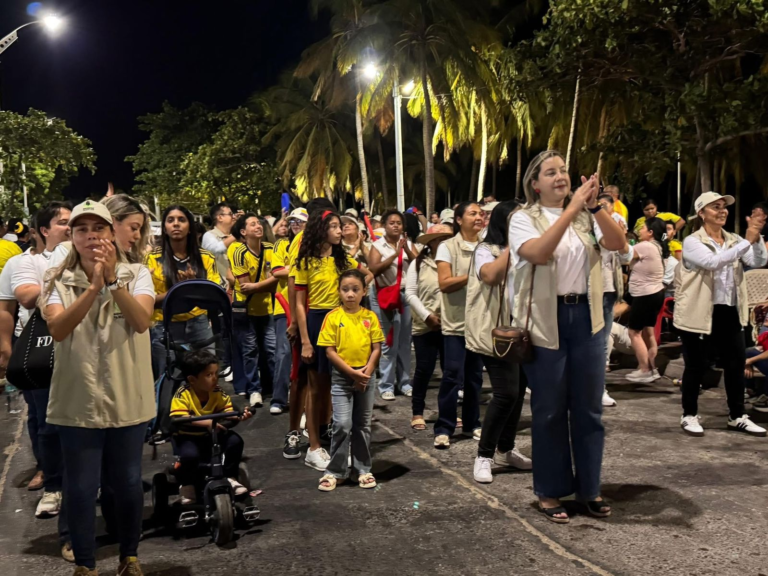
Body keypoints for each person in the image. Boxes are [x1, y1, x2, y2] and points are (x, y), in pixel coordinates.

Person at [509, 150, 625, 523]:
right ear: (535, 183)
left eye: (564, 171)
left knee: (589, 409)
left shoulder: (585, 216)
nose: (560, 176)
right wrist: (573, 208)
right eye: (550, 172)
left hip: (590, 315)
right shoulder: (523, 218)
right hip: (548, 318)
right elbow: (538, 253)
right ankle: (549, 490)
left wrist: (594, 208)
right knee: (549, 410)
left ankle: (589, 487)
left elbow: (618, 243)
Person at [43, 200, 156, 576]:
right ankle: (86, 565)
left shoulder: (137, 273)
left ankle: (130, 557)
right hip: (78, 399)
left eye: (99, 228)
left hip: (128, 395)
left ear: (112, 234)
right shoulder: (56, 280)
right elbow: (58, 329)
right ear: (72, 238)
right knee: (80, 486)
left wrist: (110, 282)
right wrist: (92, 289)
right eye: (81, 229)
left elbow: (141, 321)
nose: (91, 235)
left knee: (126, 483)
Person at [673, 192, 768, 437]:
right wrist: (747, 240)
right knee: (696, 366)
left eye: (724, 207)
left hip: (730, 310)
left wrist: (755, 239)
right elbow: (714, 262)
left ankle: (737, 416)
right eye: (715, 207)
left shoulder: (735, 239)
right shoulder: (693, 241)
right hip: (700, 312)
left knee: (735, 366)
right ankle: (689, 414)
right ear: (702, 213)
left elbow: (757, 261)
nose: (722, 211)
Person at [291, 210, 372, 470]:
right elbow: (300, 305)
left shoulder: (343, 260)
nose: (340, 231)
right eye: (335, 227)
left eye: (341, 226)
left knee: (334, 387)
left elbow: (366, 273)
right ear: (321, 229)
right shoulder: (305, 261)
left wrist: (356, 295)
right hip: (315, 323)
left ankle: (334, 445)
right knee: (315, 388)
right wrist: (305, 340)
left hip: (340, 322)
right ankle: (313, 447)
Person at [12, 202, 72, 524]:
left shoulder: (86, 256)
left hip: (83, 350)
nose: (70, 227)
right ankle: (54, 485)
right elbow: (26, 296)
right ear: (44, 230)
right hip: (43, 349)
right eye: (63, 222)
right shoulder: (26, 262)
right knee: (47, 422)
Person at [464, 200, 533, 484]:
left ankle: (506, 448)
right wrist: (514, 246)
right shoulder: (485, 250)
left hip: (522, 331)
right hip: (496, 332)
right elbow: (490, 276)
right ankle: (484, 455)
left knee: (517, 392)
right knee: (505, 393)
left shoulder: (523, 251)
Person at [316, 269, 384, 491]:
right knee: (342, 424)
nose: (350, 294)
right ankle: (336, 470)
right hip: (343, 377)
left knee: (362, 425)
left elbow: (376, 348)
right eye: (345, 289)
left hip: (366, 376)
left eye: (355, 289)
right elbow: (330, 352)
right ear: (338, 292)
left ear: (364, 291)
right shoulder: (333, 317)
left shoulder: (370, 317)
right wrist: (352, 373)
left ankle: (362, 469)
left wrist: (366, 372)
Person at [145, 205, 222, 382]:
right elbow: (148, 300)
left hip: (199, 324)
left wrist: (194, 287)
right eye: (170, 220)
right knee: (167, 381)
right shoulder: (152, 258)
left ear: (190, 228)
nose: (176, 224)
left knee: (207, 377)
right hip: (164, 326)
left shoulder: (205, 258)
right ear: (164, 228)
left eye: (181, 220)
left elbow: (215, 297)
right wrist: (179, 291)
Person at [433, 202, 485, 448]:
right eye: (473, 213)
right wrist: (475, 274)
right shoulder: (447, 247)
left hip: (480, 323)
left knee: (475, 377)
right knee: (453, 375)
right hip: (455, 323)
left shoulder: (487, 246)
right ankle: (444, 427)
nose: (478, 217)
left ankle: (473, 423)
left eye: (481, 214)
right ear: (458, 219)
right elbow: (444, 282)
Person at [170, 350, 252, 505]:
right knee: (189, 456)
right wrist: (206, 423)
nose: (215, 378)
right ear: (192, 380)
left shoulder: (217, 392)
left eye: (216, 373)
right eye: (209, 375)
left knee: (235, 441)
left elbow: (228, 411)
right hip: (189, 436)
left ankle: (230, 476)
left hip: (213, 434)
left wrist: (239, 415)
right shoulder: (183, 394)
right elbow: (179, 418)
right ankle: (188, 485)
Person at [404, 224, 453, 431]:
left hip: (451, 324)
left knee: (451, 371)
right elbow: (410, 294)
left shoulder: (455, 263)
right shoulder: (418, 263)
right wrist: (426, 316)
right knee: (424, 369)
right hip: (425, 325)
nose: (444, 243)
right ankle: (417, 412)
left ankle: (449, 412)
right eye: (440, 239)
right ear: (431, 243)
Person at [227, 213, 278, 407]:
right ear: (243, 232)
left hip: (267, 308)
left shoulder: (271, 248)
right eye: (252, 224)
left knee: (271, 350)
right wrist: (269, 282)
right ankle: (254, 389)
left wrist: (259, 286)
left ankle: (271, 388)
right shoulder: (238, 251)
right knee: (250, 351)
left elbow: (275, 280)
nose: (258, 226)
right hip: (245, 310)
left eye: (259, 223)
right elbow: (244, 285)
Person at [368, 210, 417, 401]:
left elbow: (419, 264)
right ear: (384, 226)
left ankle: (404, 382)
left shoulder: (409, 244)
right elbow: (373, 268)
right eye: (392, 223)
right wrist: (395, 255)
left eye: (399, 223)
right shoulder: (377, 246)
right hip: (385, 295)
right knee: (388, 342)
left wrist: (405, 251)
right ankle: (386, 385)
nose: (396, 226)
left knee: (405, 341)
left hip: (406, 295)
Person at [270, 207, 307, 416]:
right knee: (284, 353)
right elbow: (276, 271)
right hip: (283, 305)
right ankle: (279, 398)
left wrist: (291, 268)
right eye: (293, 221)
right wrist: (300, 269)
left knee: (305, 355)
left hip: (306, 305)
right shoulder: (281, 244)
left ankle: (302, 400)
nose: (295, 224)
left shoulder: (309, 244)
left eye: (300, 221)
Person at [597, 195, 633, 401]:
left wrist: (622, 238)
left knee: (603, 342)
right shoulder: (587, 226)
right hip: (586, 292)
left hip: (608, 291)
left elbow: (626, 257)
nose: (602, 209)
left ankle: (600, 388)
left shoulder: (616, 226)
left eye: (605, 206)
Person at [624, 217, 668, 383]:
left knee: (633, 332)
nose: (640, 231)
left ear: (650, 232)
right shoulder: (658, 247)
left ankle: (644, 369)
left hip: (645, 295)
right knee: (648, 332)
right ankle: (652, 368)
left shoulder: (646, 246)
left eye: (643, 228)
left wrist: (620, 233)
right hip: (655, 294)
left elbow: (624, 252)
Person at [201, 202, 238, 279]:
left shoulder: (235, 236)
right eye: (230, 214)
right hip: (218, 286)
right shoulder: (209, 235)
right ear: (220, 217)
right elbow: (217, 249)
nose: (234, 217)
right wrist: (237, 233)